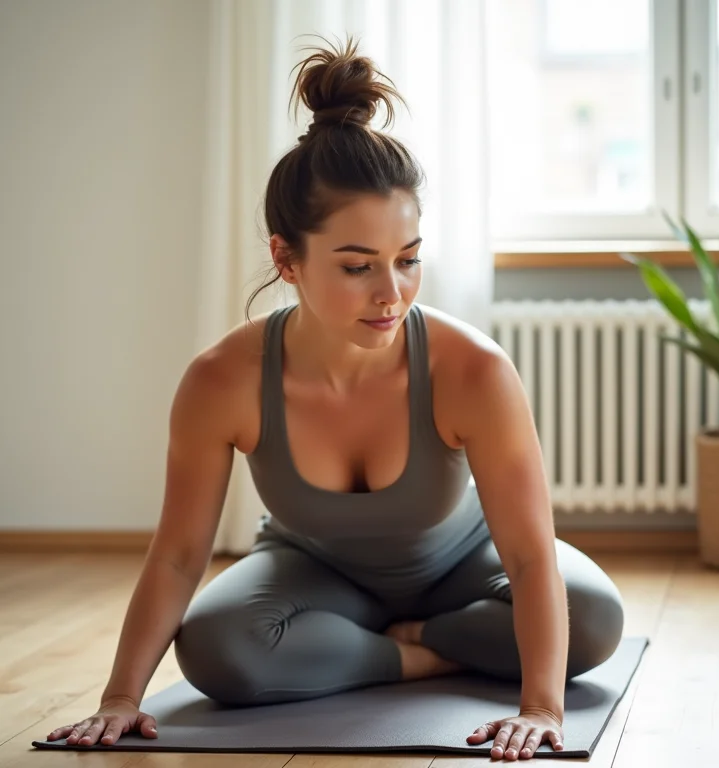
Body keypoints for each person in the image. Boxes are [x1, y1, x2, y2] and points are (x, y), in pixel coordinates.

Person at [47, 35, 624, 762]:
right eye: (357, 267)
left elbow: (532, 556)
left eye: (408, 261)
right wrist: (121, 697)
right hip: (314, 572)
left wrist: (541, 708)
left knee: (594, 619)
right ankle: (418, 658)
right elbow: (178, 555)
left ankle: (401, 643)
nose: (392, 295)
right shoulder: (220, 380)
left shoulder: (474, 369)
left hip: (465, 563)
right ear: (285, 257)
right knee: (219, 651)